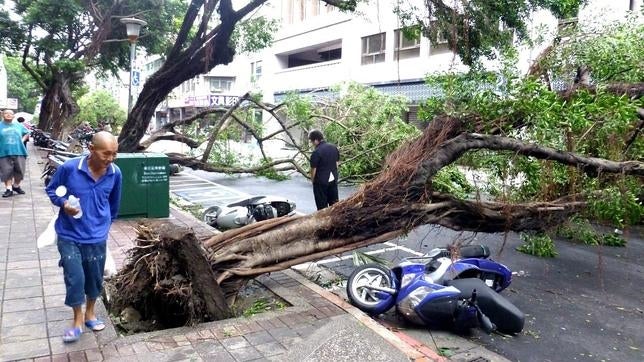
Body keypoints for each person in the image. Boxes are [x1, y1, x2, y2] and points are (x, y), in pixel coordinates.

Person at [45, 131, 122, 343]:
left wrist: (105, 226)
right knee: (75, 277)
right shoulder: (70, 168)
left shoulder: (115, 173)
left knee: (95, 278)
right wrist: (64, 204)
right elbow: (52, 190)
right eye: (106, 153)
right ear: (91, 149)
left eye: (114, 154)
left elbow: (114, 205)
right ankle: (77, 319)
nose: (110, 159)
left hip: (97, 236)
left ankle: (90, 312)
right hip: (69, 234)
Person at [0, 109, 30, 198]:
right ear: (2, 115)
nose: (8, 115)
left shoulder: (19, 125)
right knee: (6, 172)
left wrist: (22, 140)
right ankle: (9, 189)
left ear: (13, 116)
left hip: (19, 151)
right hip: (4, 152)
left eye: (10, 114)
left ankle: (16, 186)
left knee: (20, 171)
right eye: (6, 113)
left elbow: (27, 133)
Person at [308, 129, 340, 210]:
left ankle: (324, 221)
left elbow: (313, 169)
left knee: (322, 206)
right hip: (333, 178)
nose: (312, 144)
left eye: (312, 141)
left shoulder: (316, 152)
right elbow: (337, 164)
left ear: (315, 140)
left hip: (321, 181)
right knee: (335, 204)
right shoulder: (334, 148)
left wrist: (313, 181)